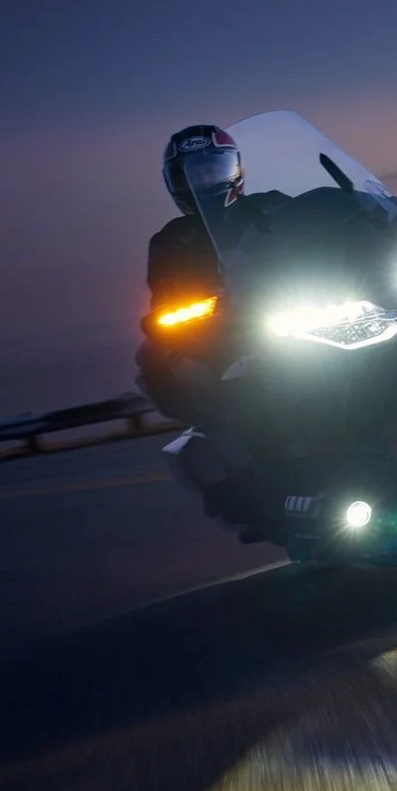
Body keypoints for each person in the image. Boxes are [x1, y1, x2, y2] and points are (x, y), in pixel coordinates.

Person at [135, 124, 289, 540]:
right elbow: (166, 299)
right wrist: (200, 309)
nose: (204, 179)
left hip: (301, 311)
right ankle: (262, 499)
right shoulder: (172, 241)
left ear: (234, 168)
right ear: (177, 183)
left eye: (212, 167)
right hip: (234, 337)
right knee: (237, 399)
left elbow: (332, 223)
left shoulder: (272, 208)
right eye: (192, 173)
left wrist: (375, 220)